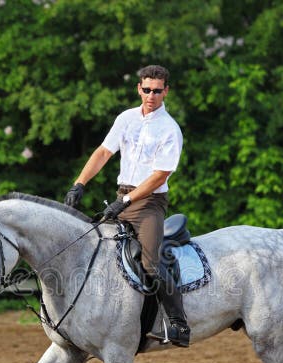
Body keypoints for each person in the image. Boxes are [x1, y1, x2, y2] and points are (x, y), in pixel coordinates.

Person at [64, 64, 190, 348]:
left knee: (150, 264)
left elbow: (159, 175)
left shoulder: (170, 129)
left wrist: (126, 202)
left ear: (166, 91)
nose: (151, 95)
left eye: (157, 91)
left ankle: (179, 323)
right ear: (139, 88)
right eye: (146, 90)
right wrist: (79, 183)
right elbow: (104, 152)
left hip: (148, 203)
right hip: (122, 196)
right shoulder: (126, 118)